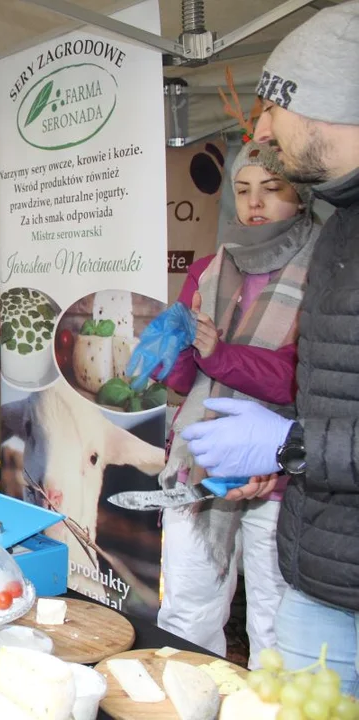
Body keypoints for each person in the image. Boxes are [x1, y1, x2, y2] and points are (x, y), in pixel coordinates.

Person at [181, 0, 359, 693]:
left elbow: (297, 395)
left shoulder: (323, 240)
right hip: (319, 560)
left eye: (274, 108)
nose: (259, 131)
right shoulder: (345, 221)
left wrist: (289, 447)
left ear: (326, 105)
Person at [155, 139, 317, 668]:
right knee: (186, 614)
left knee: (278, 625)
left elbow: (303, 381)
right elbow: (183, 383)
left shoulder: (325, 271)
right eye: (243, 191)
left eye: (272, 190)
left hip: (286, 473)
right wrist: (172, 345)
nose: (255, 203)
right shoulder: (206, 269)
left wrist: (218, 353)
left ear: (302, 194)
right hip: (201, 463)